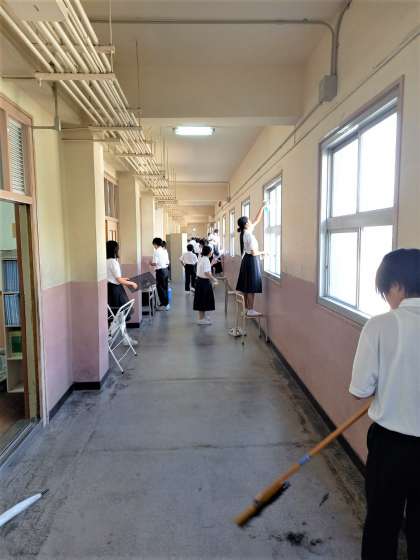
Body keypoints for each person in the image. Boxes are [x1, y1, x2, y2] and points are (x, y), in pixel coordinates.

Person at [349, 248, 420, 560]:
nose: (388, 299)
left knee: (382, 523)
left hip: (392, 447)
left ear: (397, 285)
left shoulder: (380, 325)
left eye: (386, 291)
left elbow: (360, 390)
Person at [236, 202, 266, 316]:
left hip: (246, 260)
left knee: (246, 286)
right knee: (251, 287)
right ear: (246, 224)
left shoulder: (245, 232)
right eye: (249, 221)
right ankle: (251, 310)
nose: (250, 221)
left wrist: (262, 207)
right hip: (251, 261)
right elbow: (254, 253)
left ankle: (246, 309)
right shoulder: (248, 235)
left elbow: (256, 220)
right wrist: (263, 252)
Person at [106, 240, 138, 345]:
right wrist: (132, 283)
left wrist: (125, 279)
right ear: (115, 250)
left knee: (117, 315)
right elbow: (118, 280)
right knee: (121, 314)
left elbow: (113, 278)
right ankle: (114, 336)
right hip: (116, 290)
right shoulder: (113, 262)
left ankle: (117, 336)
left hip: (110, 289)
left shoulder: (105, 261)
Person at [193, 245, 218, 325]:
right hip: (203, 282)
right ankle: (201, 319)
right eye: (211, 251)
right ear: (209, 252)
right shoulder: (206, 259)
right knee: (203, 300)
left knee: (202, 300)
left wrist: (212, 263)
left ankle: (202, 317)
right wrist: (214, 279)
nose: (212, 253)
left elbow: (205, 269)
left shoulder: (202, 258)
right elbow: (206, 272)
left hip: (200, 281)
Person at [150, 237, 170, 311]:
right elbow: (167, 262)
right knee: (165, 288)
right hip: (165, 270)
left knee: (160, 288)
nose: (154, 246)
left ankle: (165, 304)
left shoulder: (156, 252)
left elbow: (154, 263)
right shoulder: (164, 251)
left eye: (153, 245)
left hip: (160, 271)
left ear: (155, 244)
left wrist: (150, 263)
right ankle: (165, 303)